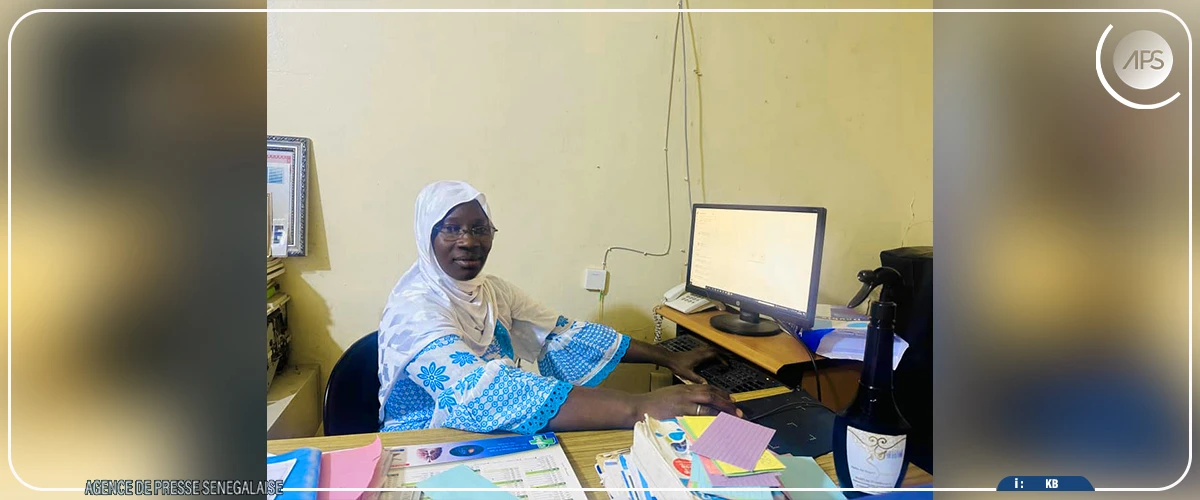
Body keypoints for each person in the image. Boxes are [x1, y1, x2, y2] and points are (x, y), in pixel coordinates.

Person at [378, 180, 739, 434]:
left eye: (480, 228)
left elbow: (563, 331)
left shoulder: (490, 291)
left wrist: (665, 357)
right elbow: (477, 391)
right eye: (451, 229)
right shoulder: (414, 310)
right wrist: (639, 406)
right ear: (426, 235)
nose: (469, 241)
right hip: (424, 438)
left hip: (484, 424)